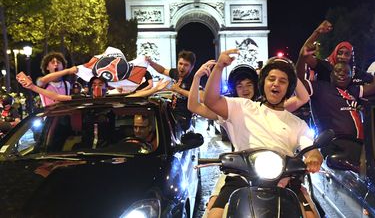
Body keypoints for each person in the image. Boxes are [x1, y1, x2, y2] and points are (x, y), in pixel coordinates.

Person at [203, 49, 322, 218]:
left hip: (285, 179)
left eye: (283, 81)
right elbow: (211, 100)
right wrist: (219, 67)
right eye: (271, 79)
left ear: (289, 88)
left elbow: (310, 147)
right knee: (214, 214)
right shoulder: (243, 107)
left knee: (312, 216)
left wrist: (314, 157)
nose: (276, 84)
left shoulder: (298, 123)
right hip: (242, 177)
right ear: (263, 83)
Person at [296, 44, 375, 164]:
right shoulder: (320, 88)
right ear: (331, 74)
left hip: (358, 143)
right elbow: (299, 82)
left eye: (346, 73)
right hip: (336, 144)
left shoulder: (352, 91)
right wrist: (302, 58)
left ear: (351, 77)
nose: (342, 74)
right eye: (338, 71)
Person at [301, 20, 375, 85]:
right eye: (340, 53)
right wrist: (317, 32)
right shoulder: (325, 67)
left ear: (351, 57)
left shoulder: (355, 72)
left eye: (347, 54)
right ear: (335, 53)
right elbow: (305, 54)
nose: (342, 57)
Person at [18, 73, 169, 101]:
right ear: (90, 87)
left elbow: (135, 96)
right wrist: (32, 87)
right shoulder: (82, 99)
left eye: (101, 84)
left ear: (107, 87)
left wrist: (155, 89)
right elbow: (57, 97)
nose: (97, 87)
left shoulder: (113, 98)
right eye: (94, 84)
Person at [145, 50, 196, 131]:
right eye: (180, 63)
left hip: (183, 118)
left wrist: (179, 90)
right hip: (172, 113)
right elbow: (162, 70)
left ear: (192, 67)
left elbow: (199, 97)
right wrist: (151, 63)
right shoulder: (176, 73)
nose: (182, 67)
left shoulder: (193, 79)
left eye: (186, 65)